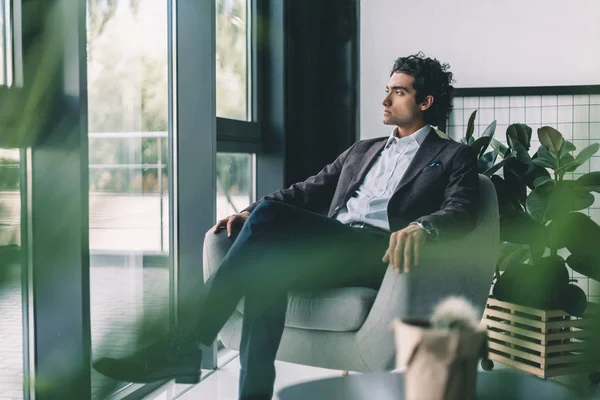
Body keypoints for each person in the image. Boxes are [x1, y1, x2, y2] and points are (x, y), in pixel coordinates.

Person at [93, 52, 479, 399]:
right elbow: (304, 192)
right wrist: (249, 212)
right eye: (387, 90)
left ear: (425, 102)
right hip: (332, 246)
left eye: (398, 92)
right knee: (267, 268)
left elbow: (461, 209)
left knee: (268, 227)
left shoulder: (452, 156)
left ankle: (184, 345)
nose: (385, 99)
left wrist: (425, 227)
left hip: (378, 251)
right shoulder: (363, 150)